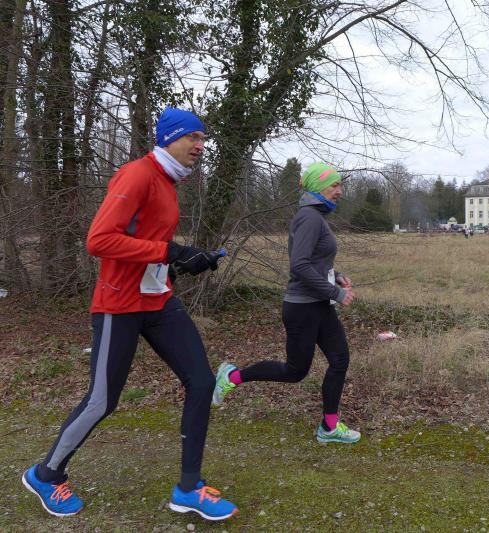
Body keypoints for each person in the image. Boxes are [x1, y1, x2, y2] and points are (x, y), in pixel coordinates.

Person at [21, 108, 238, 520]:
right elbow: (99, 240)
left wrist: (184, 261)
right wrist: (170, 251)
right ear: (170, 138)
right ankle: (46, 474)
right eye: (193, 137)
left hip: (157, 300)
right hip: (119, 305)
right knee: (102, 401)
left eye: (203, 138)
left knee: (202, 381)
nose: (200, 145)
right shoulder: (138, 174)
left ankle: (189, 488)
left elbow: (150, 245)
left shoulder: (169, 182)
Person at [212, 162, 361, 444]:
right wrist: (336, 293)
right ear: (318, 187)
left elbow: (315, 261)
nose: (340, 191)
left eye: (340, 185)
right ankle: (231, 377)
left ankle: (329, 427)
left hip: (320, 305)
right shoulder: (309, 218)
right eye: (334, 185)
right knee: (295, 371)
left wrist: (337, 275)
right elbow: (300, 266)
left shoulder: (316, 217)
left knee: (340, 359)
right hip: (303, 308)